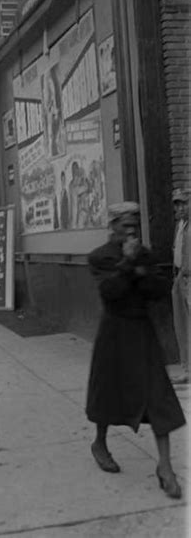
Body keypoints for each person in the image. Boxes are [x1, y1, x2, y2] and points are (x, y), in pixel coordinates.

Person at [86, 201, 185, 499]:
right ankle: (100, 443)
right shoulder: (99, 257)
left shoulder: (146, 254)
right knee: (108, 392)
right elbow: (110, 292)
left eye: (134, 225)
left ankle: (165, 466)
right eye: (125, 225)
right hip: (114, 333)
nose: (131, 230)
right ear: (112, 226)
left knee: (158, 396)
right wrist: (130, 266)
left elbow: (157, 291)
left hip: (142, 332)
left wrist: (140, 270)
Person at [171, 188, 190, 383]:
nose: (180, 207)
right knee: (182, 326)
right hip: (179, 278)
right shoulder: (180, 225)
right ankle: (187, 368)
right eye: (177, 204)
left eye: (184, 203)